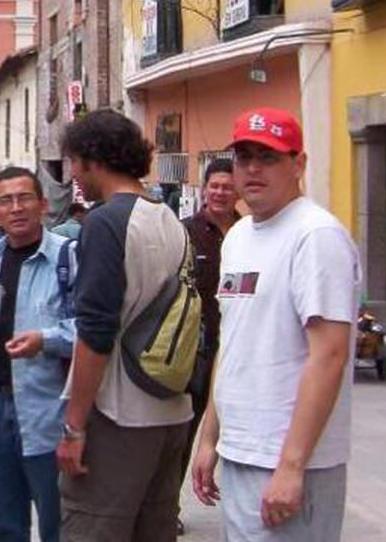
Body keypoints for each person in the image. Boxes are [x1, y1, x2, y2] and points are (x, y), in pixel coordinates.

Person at [192, 108, 360, 540]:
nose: (252, 168)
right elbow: (233, 342)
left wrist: (291, 466)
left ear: (298, 165)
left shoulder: (316, 236)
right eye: (243, 156)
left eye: (268, 157)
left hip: (289, 461)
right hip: (241, 452)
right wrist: (211, 438)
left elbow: (330, 355)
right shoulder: (240, 236)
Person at [56, 109, 192, 541]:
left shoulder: (104, 223)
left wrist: (75, 425)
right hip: (171, 411)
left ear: (93, 158)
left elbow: (95, 332)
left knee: (92, 526)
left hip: (118, 415)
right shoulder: (170, 219)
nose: (74, 174)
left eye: (74, 161)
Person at [0, 166, 76, 542]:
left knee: (58, 523)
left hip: (49, 410)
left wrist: (45, 339)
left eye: (24, 198)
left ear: (42, 204)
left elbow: (94, 331)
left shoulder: (67, 259)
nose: (16, 208)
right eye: (6, 200)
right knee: (6, 526)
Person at [176, 158, 239, 534]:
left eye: (227, 187)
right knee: (184, 434)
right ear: (204, 190)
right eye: (214, 186)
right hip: (197, 354)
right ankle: (168, 506)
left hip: (239, 351)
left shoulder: (250, 231)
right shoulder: (184, 233)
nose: (220, 192)